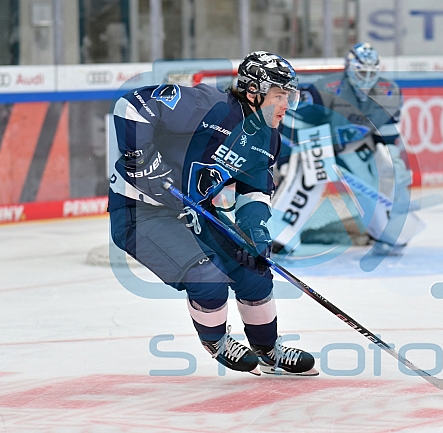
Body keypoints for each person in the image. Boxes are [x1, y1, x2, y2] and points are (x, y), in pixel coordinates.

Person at [107, 51, 317, 376]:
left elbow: (254, 190)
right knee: (207, 277)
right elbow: (133, 105)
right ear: (253, 92)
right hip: (139, 210)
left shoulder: (268, 137)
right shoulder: (207, 105)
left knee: (254, 269)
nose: (286, 104)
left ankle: (268, 350)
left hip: (194, 210)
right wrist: (142, 159)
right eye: (279, 96)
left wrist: (257, 234)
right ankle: (217, 342)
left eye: (290, 96)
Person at [273, 42, 421, 256]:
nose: (366, 77)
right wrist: (289, 158)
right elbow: (293, 121)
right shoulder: (326, 88)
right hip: (318, 141)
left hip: (357, 146)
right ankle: (279, 235)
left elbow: (387, 136)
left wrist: (392, 163)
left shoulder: (390, 93)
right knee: (306, 177)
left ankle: (387, 231)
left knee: (381, 179)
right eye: (361, 71)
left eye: (371, 71)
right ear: (349, 68)